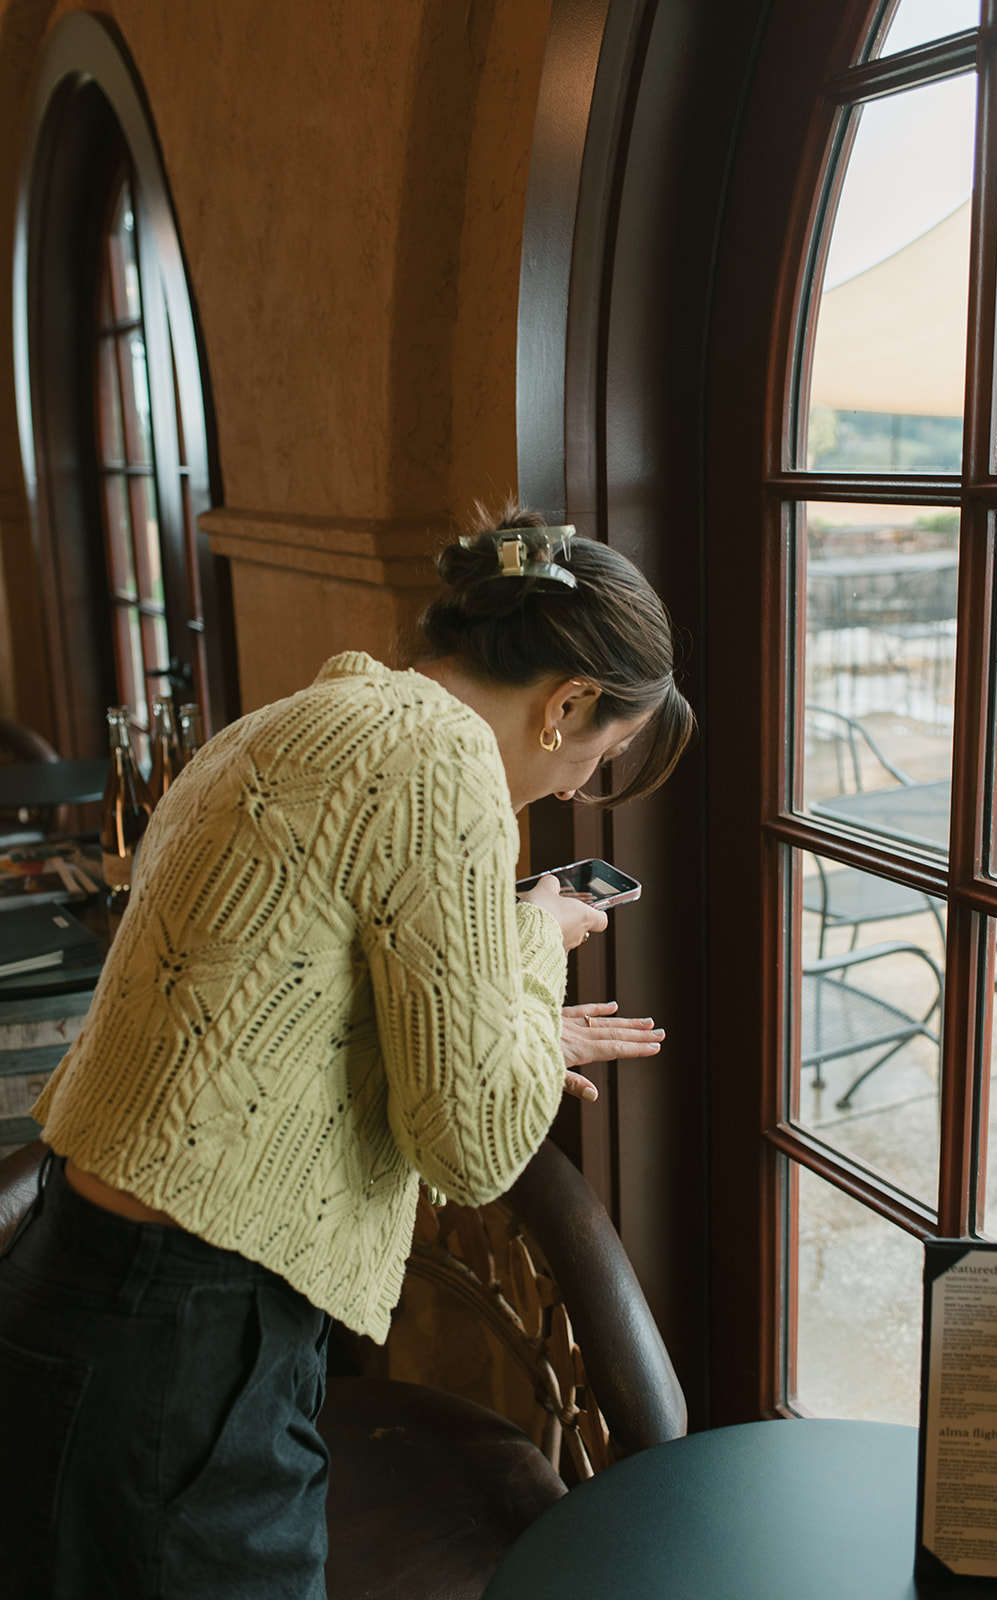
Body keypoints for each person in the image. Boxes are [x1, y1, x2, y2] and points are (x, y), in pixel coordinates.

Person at [0, 504, 694, 1599]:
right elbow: (472, 1146)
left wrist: (504, 1022)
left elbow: (313, 1003)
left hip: (81, 1284)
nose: (572, 793)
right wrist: (531, 943)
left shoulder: (315, 715)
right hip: (190, 1337)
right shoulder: (445, 764)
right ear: (566, 705)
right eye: (597, 760)